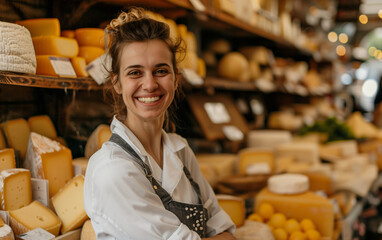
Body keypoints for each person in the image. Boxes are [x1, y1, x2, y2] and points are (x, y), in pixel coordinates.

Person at [83, 7, 236, 240]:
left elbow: (223, 228)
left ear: (176, 77)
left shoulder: (180, 149)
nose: (150, 84)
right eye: (135, 72)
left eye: (160, 70)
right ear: (116, 83)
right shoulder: (113, 170)